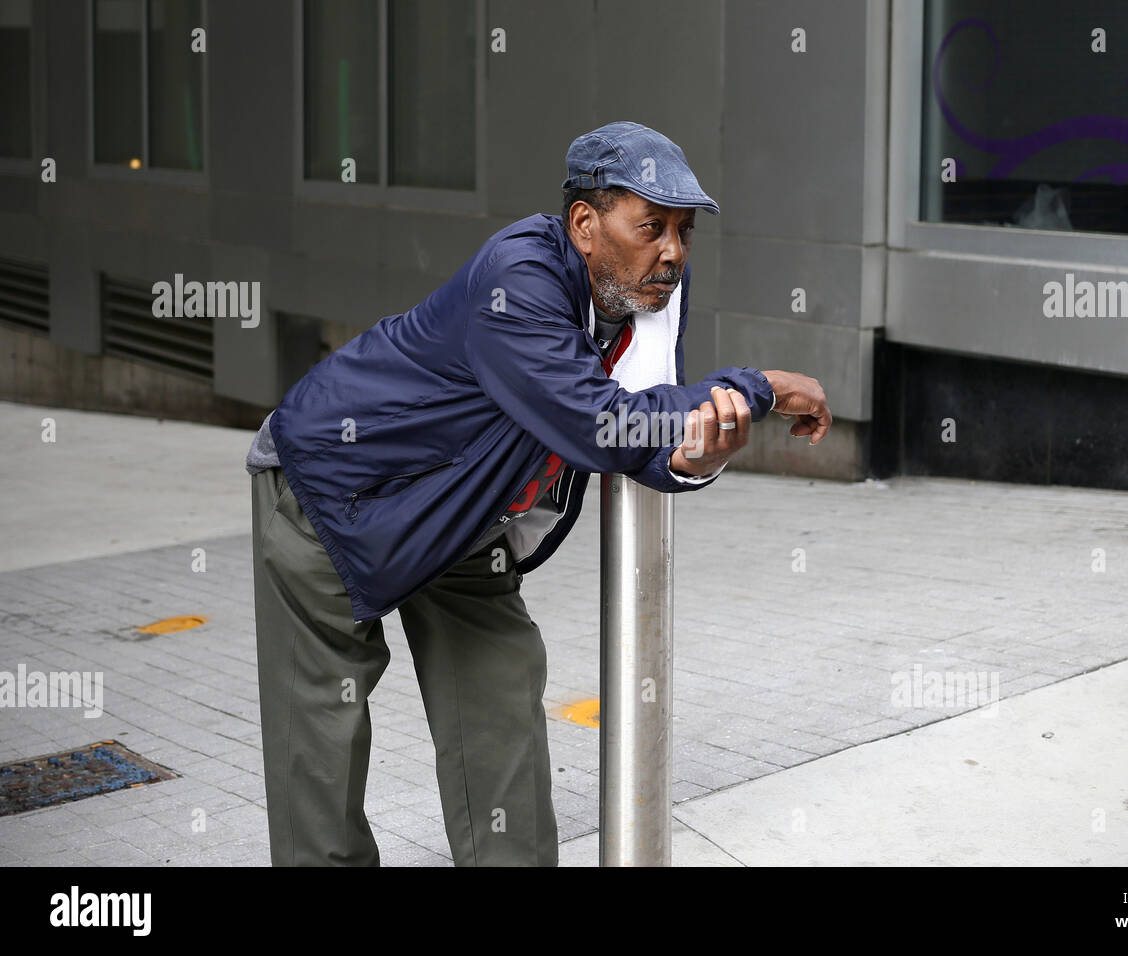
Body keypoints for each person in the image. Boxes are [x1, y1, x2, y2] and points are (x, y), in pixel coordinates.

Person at [246, 120, 831, 866]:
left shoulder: (648, 291)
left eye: (684, 231)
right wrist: (760, 387)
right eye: (652, 226)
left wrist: (699, 451)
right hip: (333, 493)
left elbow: (644, 439)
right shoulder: (516, 276)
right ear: (585, 225)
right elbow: (601, 425)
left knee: (501, 706)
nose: (674, 251)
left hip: (464, 524)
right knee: (321, 749)